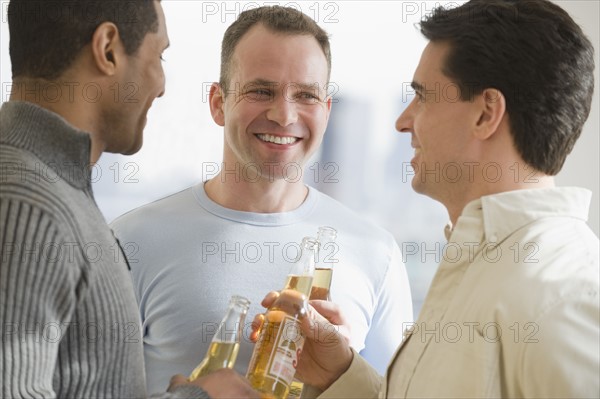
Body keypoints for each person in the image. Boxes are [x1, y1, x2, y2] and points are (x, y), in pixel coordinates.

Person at [261, 0, 599, 398]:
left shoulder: (564, 297)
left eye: (423, 96)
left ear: (486, 113)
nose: (403, 121)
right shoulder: (487, 264)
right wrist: (342, 375)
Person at [110, 5, 413, 394]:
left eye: (305, 95)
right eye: (261, 91)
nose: (284, 115)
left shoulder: (377, 254)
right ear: (218, 103)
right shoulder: (132, 242)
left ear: (326, 110)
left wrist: (347, 369)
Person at [0, 1, 259, 397]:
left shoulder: (50, 191)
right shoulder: (29, 206)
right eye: (159, 55)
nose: (162, 84)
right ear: (107, 50)